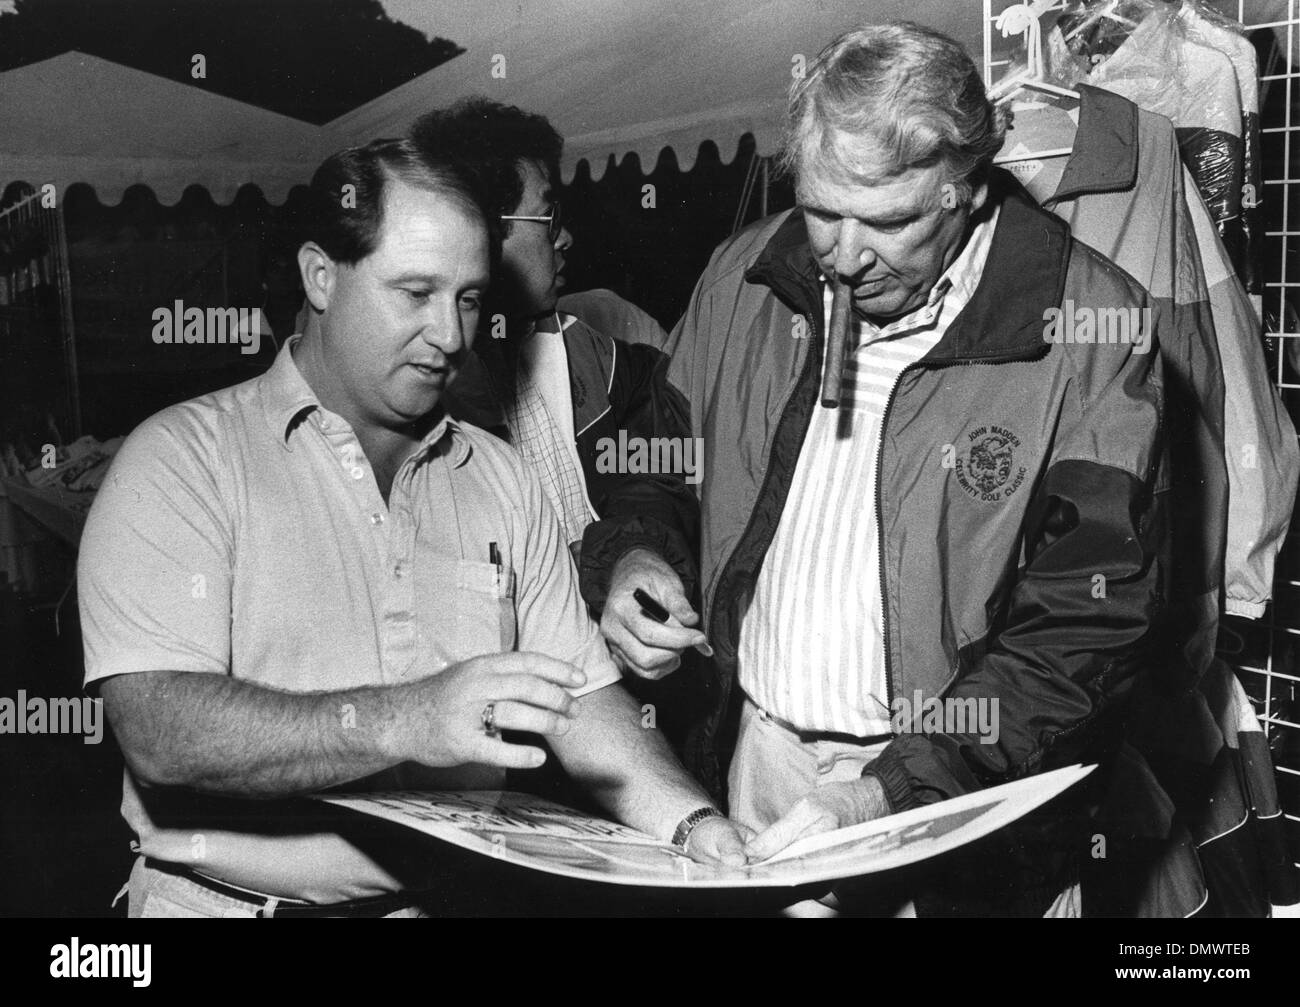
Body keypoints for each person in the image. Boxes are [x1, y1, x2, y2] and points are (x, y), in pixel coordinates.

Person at [77, 137, 746, 918]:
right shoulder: (183, 459)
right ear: (320, 275)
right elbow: (159, 728)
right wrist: (410, 718)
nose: (452, 335)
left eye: (467, 298)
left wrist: (691, 823)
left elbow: (584, 700)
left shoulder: (502, 478)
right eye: (416, 292)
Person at [594, 22, 1169, 915]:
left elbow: (1087, 626)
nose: (843, 257)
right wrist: (635, 552)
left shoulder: (1094, 326)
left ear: (968, 190)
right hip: (762, 760)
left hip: (959, 794)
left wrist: (889, 789)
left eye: (890, 220)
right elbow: (655, 461)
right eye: (823, 210)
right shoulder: (744, 273)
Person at [410, 100, 710, 692]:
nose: (565, 236)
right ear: (478, 231)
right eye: (547, 218)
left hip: (622, 691)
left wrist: (637, 554)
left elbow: (656, 469)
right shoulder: (416, 399)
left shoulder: (597, 355)